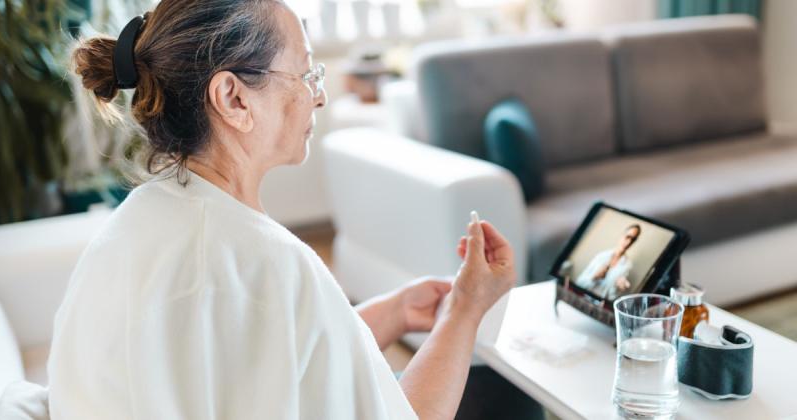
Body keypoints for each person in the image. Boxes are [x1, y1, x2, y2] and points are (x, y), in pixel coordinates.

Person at [47, 1, 542, 419]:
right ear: (233, 99)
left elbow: (263, 357)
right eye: (307, 73)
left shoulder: (133, 225)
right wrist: (465, 309)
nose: (319, 95)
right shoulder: (267, 262)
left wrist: (390, 312)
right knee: (501, 396)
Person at [574, 224, 641, 301]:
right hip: (582, 298)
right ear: (622, 235)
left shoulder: (627, 266)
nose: (629, 242)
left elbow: (611, 298)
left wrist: (617, 289)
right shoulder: (601, 255)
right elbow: (579, 283)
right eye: (628, 237)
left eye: (633, 239)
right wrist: (594, 277)